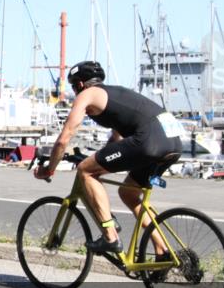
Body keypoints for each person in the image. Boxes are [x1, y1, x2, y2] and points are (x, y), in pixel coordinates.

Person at [34, 61, 183, 254]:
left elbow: (64, 139)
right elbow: (116, 138)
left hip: (150, 141)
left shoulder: (87, 95)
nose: (74, 92)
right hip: (173, 142)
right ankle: (162, 250)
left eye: (73, 87)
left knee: (85, 171)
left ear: (80, 84)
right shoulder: (115, 93)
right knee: (128, 194)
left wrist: (50, 168)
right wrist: (97, 158)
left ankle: (110, 236)